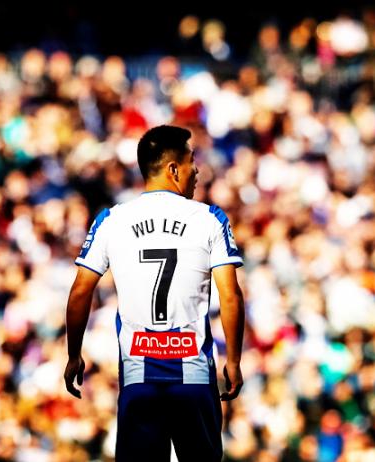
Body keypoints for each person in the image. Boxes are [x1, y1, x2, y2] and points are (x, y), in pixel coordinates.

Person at [64, 125, 245, 461]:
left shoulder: (111, 220)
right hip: (193, 376)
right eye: (192, 161)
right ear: (173, 169)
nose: (197, 171)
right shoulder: (210, 218)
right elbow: (230, 295)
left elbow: (79, 292)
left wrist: (74, 355)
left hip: (139, 379)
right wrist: (233, 361)